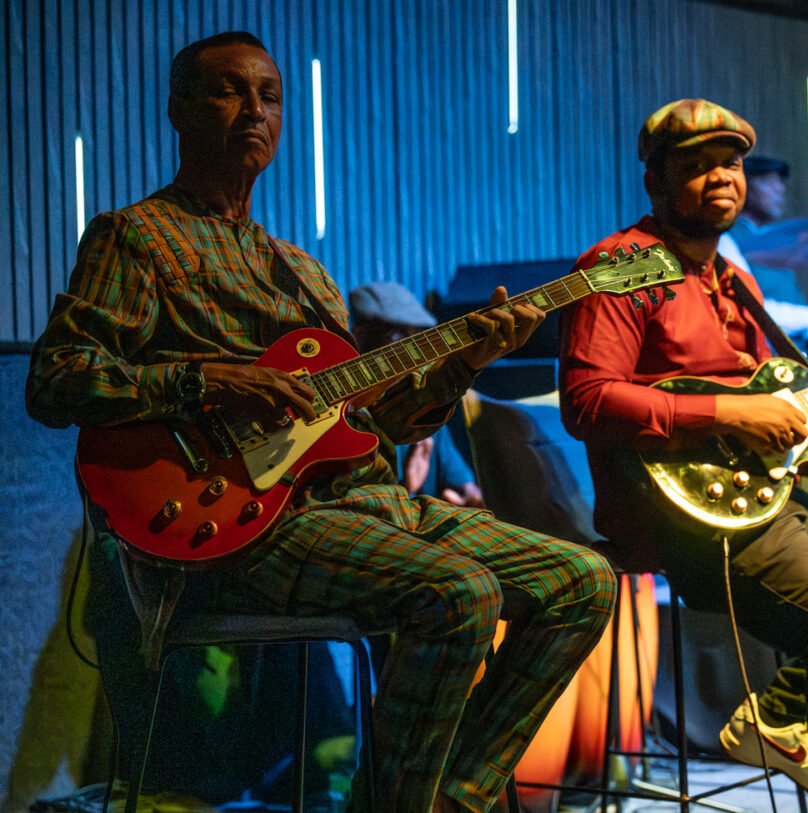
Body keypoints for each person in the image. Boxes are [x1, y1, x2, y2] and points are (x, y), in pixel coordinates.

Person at [25, 31, 617, 813]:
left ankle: (450, 800)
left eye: (270, 96)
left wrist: (466, 361)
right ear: (179, 110)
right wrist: (211, 381)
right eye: (228, 90)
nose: (254, 109)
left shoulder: (304, 273)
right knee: (460, 593)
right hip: (241, 524)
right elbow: (57, 379)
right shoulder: (137, 238)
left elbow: (377, 423)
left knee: (581, 581)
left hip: (363, 502)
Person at [559, 98, 808, 812]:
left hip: (770, 487)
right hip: (684, 512)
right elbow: (586, 401)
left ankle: (777, 713)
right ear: (655, 182)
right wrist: (729, 412)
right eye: (698, 165)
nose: (722, 176)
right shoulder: (618, 267)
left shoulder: (735, 281)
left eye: (732, 163)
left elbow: (801, 415)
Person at [349, 281, 484, 507]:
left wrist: (472, 497)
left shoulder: (420, 405)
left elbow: (464, 486)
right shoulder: (351, 420)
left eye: (416, 336)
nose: (411, 351)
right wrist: (407, 488)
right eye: (398, 335)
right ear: (359, 336)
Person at [722, 154, 808, 368]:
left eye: (780, 183)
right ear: (744, 186)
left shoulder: (776, 246)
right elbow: (750, 312)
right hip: (765, 369)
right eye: (768, 182)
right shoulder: (727, 240)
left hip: (799, 361)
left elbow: (803, 330)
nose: (780, 190)